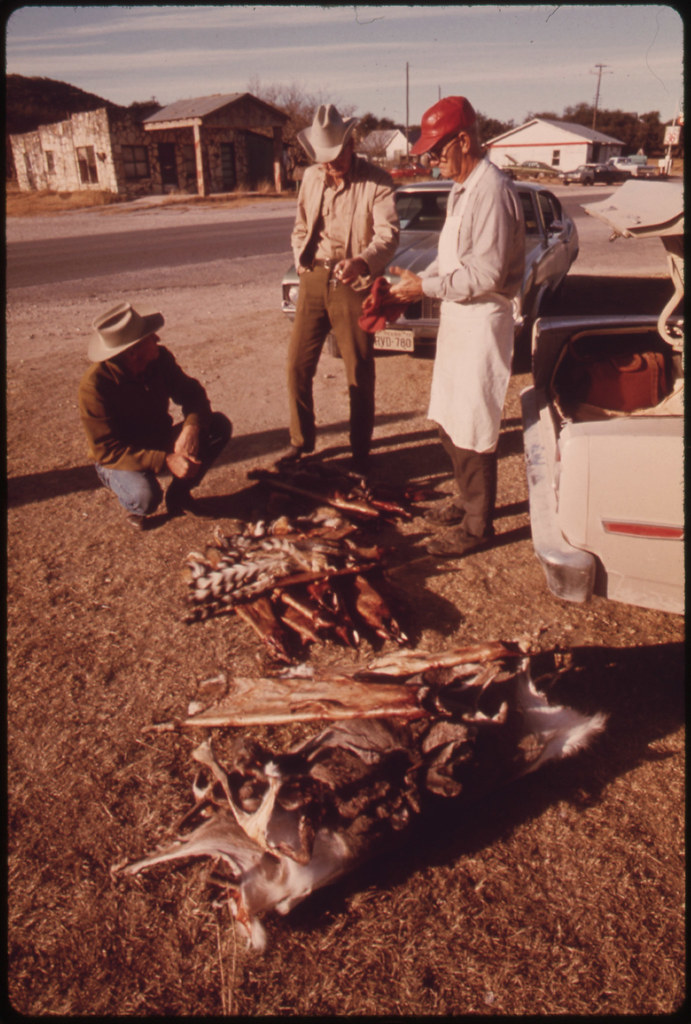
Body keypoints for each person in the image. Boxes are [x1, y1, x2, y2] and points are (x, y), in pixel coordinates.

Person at [390, 96, 525, 557]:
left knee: (473, 423)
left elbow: (485, 275)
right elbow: (454, 263)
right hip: (457, 316)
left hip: (482, 318)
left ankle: (476, 527)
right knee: (448, 418)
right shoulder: (461, 187)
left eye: (437, 150)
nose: (431, 160)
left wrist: (424, 290)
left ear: (464, 140)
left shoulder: (492, 190)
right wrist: (421, 281)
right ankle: (465, 501)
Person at [281, 103, 400, 476]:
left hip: (353, 282)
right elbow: (300, 225)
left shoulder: (378, 182)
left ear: (352, 144)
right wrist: (300, 260)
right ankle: (301, 443)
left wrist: (362, 261)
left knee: (358, 372)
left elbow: (389, 236)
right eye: (323, 160)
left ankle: (360, 453)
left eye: (335, 158)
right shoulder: (312, 178)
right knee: (297, 365)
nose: (329, 166)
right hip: (314, 278)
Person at [78, 301, 232, 530]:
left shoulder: (159, 359)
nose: (157, 340)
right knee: (145, 496)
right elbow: (106, 450)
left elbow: (193, 394)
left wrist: (190, 429)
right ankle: (136, 507)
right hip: (122, 456)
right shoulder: (94, 387)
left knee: (217, 425)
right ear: (132, 352)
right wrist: (166, 460)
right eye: (151, 337)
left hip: (159, 439)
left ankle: (179, 495)